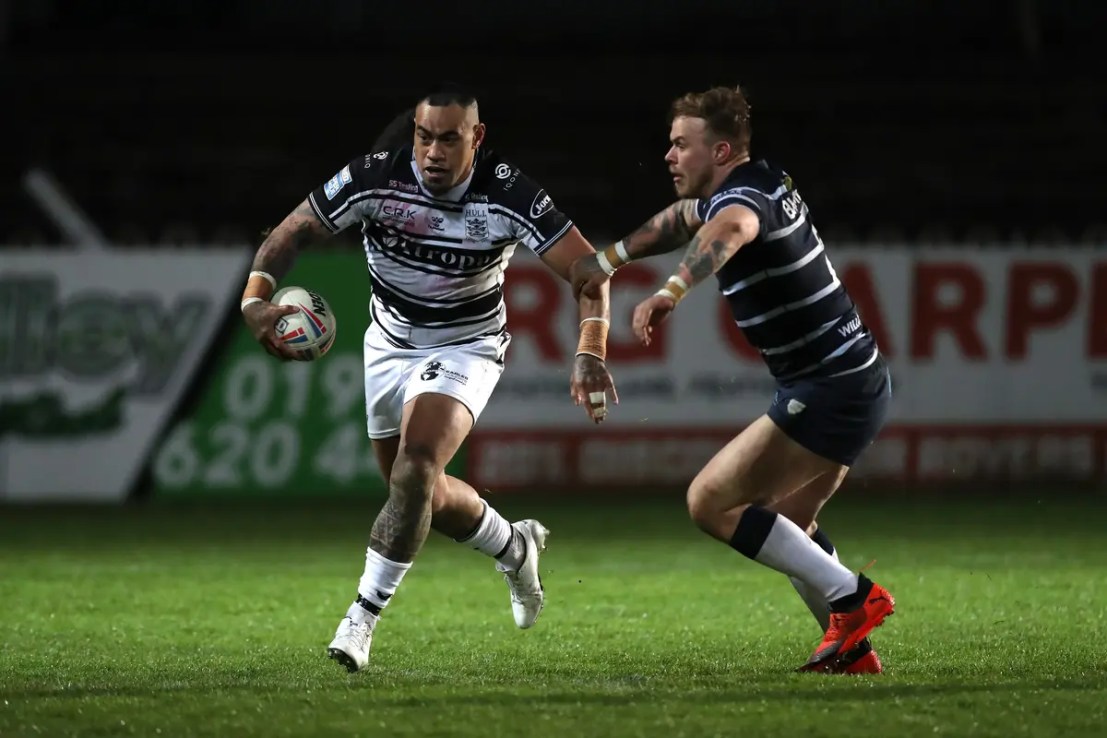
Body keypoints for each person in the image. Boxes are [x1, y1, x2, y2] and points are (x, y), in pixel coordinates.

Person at [240, 87, 618, 673]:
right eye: (424, 136)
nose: (433, 152)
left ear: (477, 138)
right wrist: (253, 302)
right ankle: (514, 546)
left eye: (449, 138)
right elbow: (291, 232)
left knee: (416, 466)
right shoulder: (374, 179)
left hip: (466, 346)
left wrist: (591, 348)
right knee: (418, 492)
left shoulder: (509, 194)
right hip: (386, 344)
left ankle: (360, 619)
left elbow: (590, 273)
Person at [570, 85, 894, 674]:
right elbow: (680, 222)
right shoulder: (762, 179)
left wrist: (670, 291)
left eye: (680, 146)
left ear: (720, 150)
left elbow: (729, 231)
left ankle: (853, 596)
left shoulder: (742, 202)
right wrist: (611, 256)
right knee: (790, 525)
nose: (668, 156)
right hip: (853, 375)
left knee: (709, 502)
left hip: (830, 387)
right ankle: (849, 650)